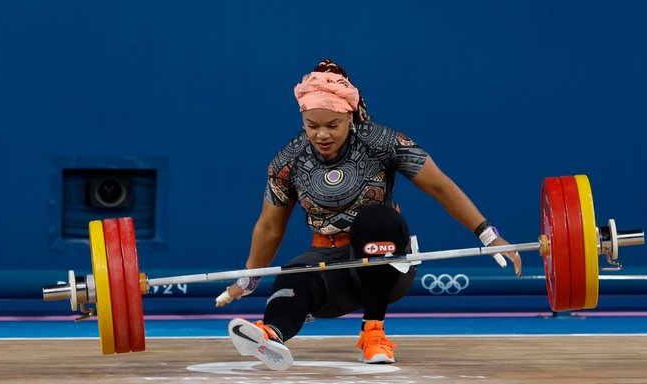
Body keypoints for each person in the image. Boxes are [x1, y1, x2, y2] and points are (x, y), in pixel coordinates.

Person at [216, 59, 522, 370]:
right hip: (328, 264)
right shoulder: (288, 160)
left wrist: (488, 235)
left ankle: (373, 332)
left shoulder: (383, 143)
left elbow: (440, 187)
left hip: (386, 265)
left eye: (332, 125)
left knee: (377, 220)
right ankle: (271, 335)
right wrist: (250, 277)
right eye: (312, 125)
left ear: (349, 116)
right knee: (290, 283)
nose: (321, 134)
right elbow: (269, 227)